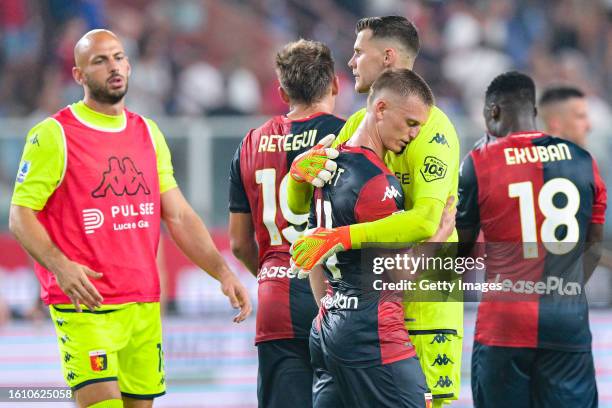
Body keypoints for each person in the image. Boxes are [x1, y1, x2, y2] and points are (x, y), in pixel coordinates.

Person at [9, 29, 251, 408]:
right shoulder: (54, 134)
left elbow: (179, 215)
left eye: (119, 57)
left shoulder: (147, 133)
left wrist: (221, 271)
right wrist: (61, 267)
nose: (113, 67)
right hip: (85, 306)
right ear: (78, 75)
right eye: (100, 61)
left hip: (142, 305)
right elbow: (20, 216)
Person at [287, 16, 462, 406]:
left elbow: (426, 221)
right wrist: (298, 176)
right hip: (368, 308)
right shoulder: (354, 127)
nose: (351, 62)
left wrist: (341, 240)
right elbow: (307, 213)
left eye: (358, 52)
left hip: (423, 305)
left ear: (387, 56)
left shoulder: (434, 131)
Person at [456, 71, 607, 408]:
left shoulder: (479, 162)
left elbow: (461, 253)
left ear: (493, 113)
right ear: (534, 113)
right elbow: (595, 243)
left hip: (504, 323)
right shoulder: (583, 160)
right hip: (566, 320)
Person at [228, 39, 345, 408]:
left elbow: (239, 244)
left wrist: (271, 275)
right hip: (339, 296)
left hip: (276, 298)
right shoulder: (352, 136)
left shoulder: (249, 143)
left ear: (281, 92)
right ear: (335, 84)